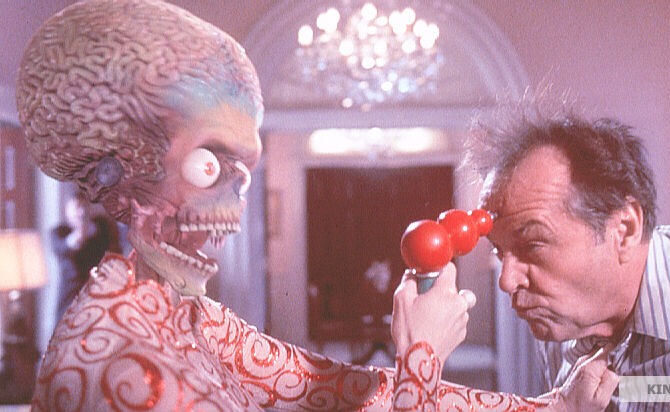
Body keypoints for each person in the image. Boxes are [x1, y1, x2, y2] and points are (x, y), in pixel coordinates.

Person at [17, 1, 614, 410]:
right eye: (207, 165)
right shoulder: (111, 360)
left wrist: (551, 406)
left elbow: (343, 388)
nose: (236, 205)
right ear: (121, 170)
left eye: (242, 172)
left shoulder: (185, 314)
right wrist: (423, 356)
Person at [463, 94, 670, 410]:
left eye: (532, 245)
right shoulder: (561, 321)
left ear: (624, 230)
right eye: (500, 251)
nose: (507, 281)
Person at [52, 192, 122, 323]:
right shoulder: (59, 233)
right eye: (77, 208)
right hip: (71, 297)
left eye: (84, 206)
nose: (81, 212)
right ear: (67, 211)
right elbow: (67, 247)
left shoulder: (102, 228)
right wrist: (82, 230)